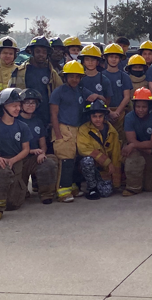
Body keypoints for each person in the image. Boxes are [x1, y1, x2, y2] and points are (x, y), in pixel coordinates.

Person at [50, 60, 104, 202]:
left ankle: (72, 186)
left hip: (77, 129)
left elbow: (102, 99)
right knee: (65, 159)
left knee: (74, 159)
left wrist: (96, 96)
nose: (74, 79)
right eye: (71, 76)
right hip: (63, 128)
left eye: (77, 76)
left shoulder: (81, 90)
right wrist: (58, 134)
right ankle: (62, 191)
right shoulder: (58, 92)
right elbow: (53, 114)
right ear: (65, 77)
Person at [0, 88, 32, 221]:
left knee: (13, 204)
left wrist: (13, 160)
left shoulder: (22, 127)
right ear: (3, 107)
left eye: (19, 106)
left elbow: (26, 149)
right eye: (14, 105)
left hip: (16, 161)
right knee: (3, 170)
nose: (18, 109)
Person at [9, 36, 63, 126]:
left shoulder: (52, 73)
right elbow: (11, 94)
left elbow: (60, 94)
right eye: (38, 51)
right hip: (23, 118)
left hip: (46, 117)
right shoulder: (19, 72)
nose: (41, 54)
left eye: (44, 52)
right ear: (31, 52)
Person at [17, 89, 58, 204]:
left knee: (49, 162)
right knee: (16, 198)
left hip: (34, 158)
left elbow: (43, 144)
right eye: (27, 102)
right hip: (19, 159)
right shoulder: (15, 121)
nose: (30, 105)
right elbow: (13, 146)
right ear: (21, 104)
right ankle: (22, 190)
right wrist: (31, 151)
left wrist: (42, 153)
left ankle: (46, 194)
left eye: (33, 102)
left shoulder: (38, 121)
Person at [76, 100, 122, 199]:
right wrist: (107, 162)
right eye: (94, 116)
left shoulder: (112, 132)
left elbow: (116, 155)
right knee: (87, 161)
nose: (97, 119)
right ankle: (92, 189)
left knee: (106, 192)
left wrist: (116, 181)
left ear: (104, 116)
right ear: (90, 117)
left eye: (100, 116)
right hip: (90, 166)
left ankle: (100, 183)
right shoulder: (84, 130)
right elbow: (83, 149)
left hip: (104, 169)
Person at [122, 88, 152, 196]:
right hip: (134, 150)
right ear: (134, 106)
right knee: (133, 157)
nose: (141, 109)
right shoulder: (129, 117)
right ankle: (132, 188)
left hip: (150, 148)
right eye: (138, 106)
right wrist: (150, 151)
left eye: (144, 107)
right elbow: (131, 140)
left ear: (149, 107)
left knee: (151, 187)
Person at [101, 43, 133, 144]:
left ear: (120, 59)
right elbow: (100, 97)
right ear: (106, 58)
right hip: (103, 112)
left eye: (116, 57)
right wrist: (109, 111)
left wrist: (117, 113)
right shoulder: (100, 76)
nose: (113, 59)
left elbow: (127, 97)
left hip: (121, 113)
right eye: (111, 57)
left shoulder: (124, 76)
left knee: (120, 141)